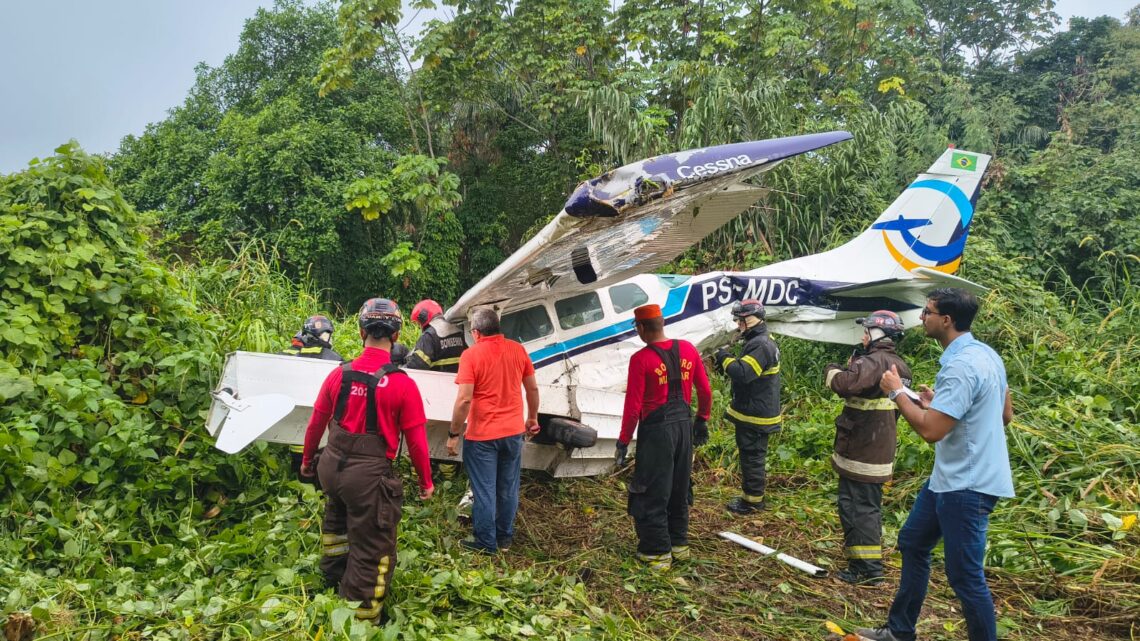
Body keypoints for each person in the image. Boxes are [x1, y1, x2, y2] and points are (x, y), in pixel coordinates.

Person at [857, 288, 1014, 641]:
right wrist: (936, 402)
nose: (921, 318)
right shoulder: (987, 355)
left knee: (965, 576)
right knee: (913, 541)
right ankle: (900, 631)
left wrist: (897, 392)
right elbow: (1003, 414)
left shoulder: (960, 366)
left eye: (927, 312)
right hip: (949, 477)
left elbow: (931, 431)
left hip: (967, 486)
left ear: (946, 320)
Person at [298, 298, 434, 624]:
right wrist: (425, 482)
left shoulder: (338, 375)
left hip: (331, 467)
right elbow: (416, 442)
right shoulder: (402, 385)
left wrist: (307, 463)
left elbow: (316, 424)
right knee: (373, 547)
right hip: (368, 478)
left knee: (337, 520)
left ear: (361, 332)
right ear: (397, 335)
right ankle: (361, 617)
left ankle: (332, 579)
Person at [615, 304, 712, 571]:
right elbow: (704, 390)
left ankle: (656, 553)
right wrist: (702, 420)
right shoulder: (689, 350)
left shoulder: (641, 359)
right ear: (662, 323)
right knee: (680, 486)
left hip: (657, 432)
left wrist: (623, 441)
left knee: (651, 490)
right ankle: (679, 544)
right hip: (684, 428)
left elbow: (633, 407)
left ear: (642, 327)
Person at [823, 311, 913, 585]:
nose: (863, 336)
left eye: (866, 331)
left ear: (877, 333)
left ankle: (868, 570)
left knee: (857, 507)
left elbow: (845, 384)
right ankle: (863, 564)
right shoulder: (900, 365)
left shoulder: (873, 362)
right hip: (876, 447)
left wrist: (832, 370)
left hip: (862, 448)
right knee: (863, 505)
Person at [447, 308, 540, 553]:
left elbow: (464, 399)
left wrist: (454, 434)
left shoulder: (471, 355)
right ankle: (504, 539)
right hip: (513, 433)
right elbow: (532, 389)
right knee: (508, 488)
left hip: (483, 436)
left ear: (476, 333)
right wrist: (532, 417)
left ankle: (485, 544)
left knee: (484, 490)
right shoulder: (518, 350)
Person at [715, 299, 781, 515]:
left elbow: (743, 374)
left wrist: (723, 357)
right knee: (750, 456)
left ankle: (752, 503)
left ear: (749, 320)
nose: (737, 324)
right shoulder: (759, 341)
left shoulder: (761, 345)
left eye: (740, 320)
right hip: (755, 411)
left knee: (752, 457)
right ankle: (751, 497)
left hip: (756, 415)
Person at [405, 299, 468, 372]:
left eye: (418, 323)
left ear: (423, 317)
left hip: (437, 382)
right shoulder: (459, 332)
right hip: (458, 380)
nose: (420, 326)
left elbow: (417, 365)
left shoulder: (428, 336)